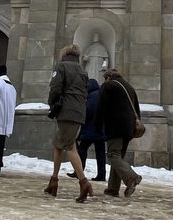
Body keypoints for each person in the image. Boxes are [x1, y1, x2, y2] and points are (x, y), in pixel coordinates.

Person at [46, 43, 93, 202]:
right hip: (78, 111)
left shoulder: (61, 67)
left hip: (66, 111)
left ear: (64, 54)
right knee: (58, 144)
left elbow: (55, 88)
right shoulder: (83, 71)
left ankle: (83, 182)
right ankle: (54, 180)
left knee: (70, 147)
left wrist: (51, 103)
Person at [95, 67, 142, 198]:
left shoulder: (108, 86)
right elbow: (136, 109)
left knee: (113, 154)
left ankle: (131, 177)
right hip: (129, 128)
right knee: (118, 156)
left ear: (107, 77)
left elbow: (100, 107)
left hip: (115, 126)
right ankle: (112, 189)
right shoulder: (129, 87)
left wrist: (97, 126)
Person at [67, 76, 106, 183]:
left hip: (90, 128)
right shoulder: (101, 95)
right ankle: (101, 174)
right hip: (100, 129)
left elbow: (87, 111)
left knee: (82, 150)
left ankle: (78, 171)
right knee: (100, 152)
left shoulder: (91, 96)